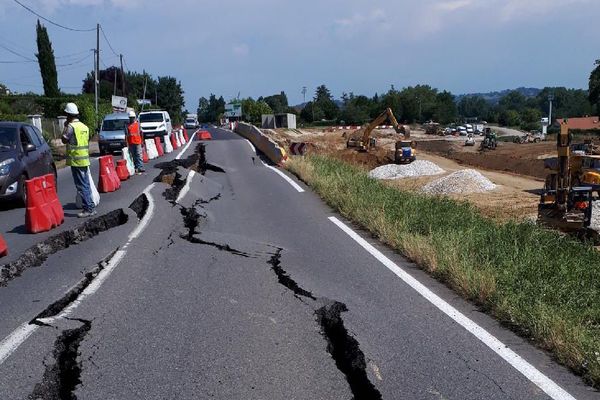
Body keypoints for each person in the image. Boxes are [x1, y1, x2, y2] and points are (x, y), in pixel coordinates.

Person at [61, 102, 96, 218]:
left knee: (81, 185)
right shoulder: (84, 127)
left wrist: (65, 126)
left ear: (69, 115)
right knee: (86, 184)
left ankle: (88, 209)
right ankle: (90, 206)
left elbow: (64, 140)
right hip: (84, 159)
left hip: (76, 160)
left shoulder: (71, 127)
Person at [126, 110, 144, 174]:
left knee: (139, 155)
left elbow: (141, 133)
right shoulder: (127, 126)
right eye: (130, 118)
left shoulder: (137, 124)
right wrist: (127, 144)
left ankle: (140, 167)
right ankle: (136, 167)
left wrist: (142, 141)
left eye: (132, 118)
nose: (131, 119)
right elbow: (127, 135)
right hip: (131, 143)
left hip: (138, 142)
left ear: (134, 117)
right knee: (133, 156)